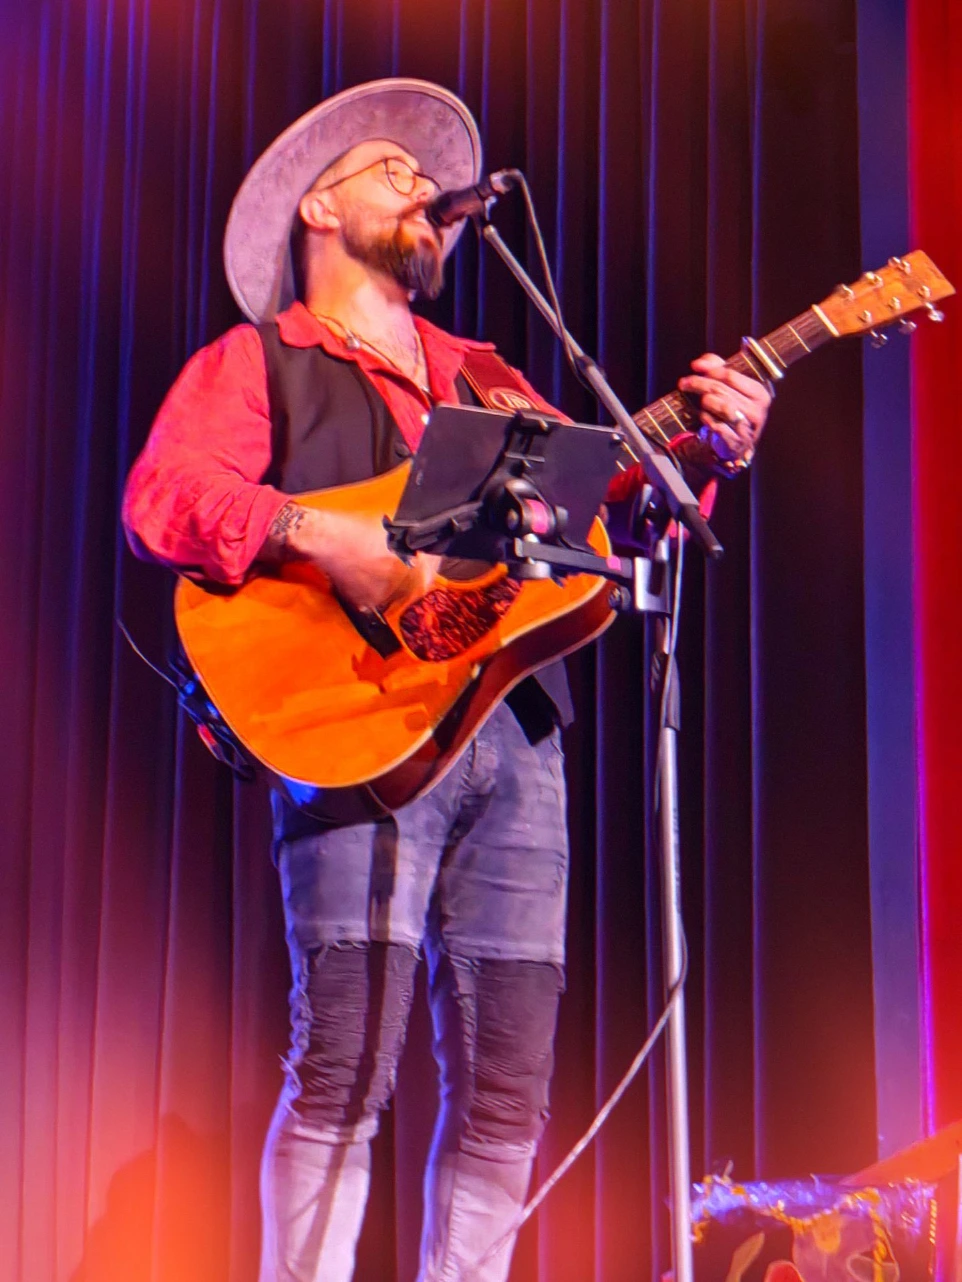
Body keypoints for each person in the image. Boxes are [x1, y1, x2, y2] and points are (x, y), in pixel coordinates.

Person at [123, 77, 770, 1282]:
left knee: (508, 1080)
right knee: (347, 1060)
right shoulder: (257, 360)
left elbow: (601, 510)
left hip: (514, 732)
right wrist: (324, 535)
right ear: (320, 207)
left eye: (429, 178)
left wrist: (702, 449)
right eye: (394, 170)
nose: (425, 188)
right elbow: (164, 500)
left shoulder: (489, 377)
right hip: (351, 720)